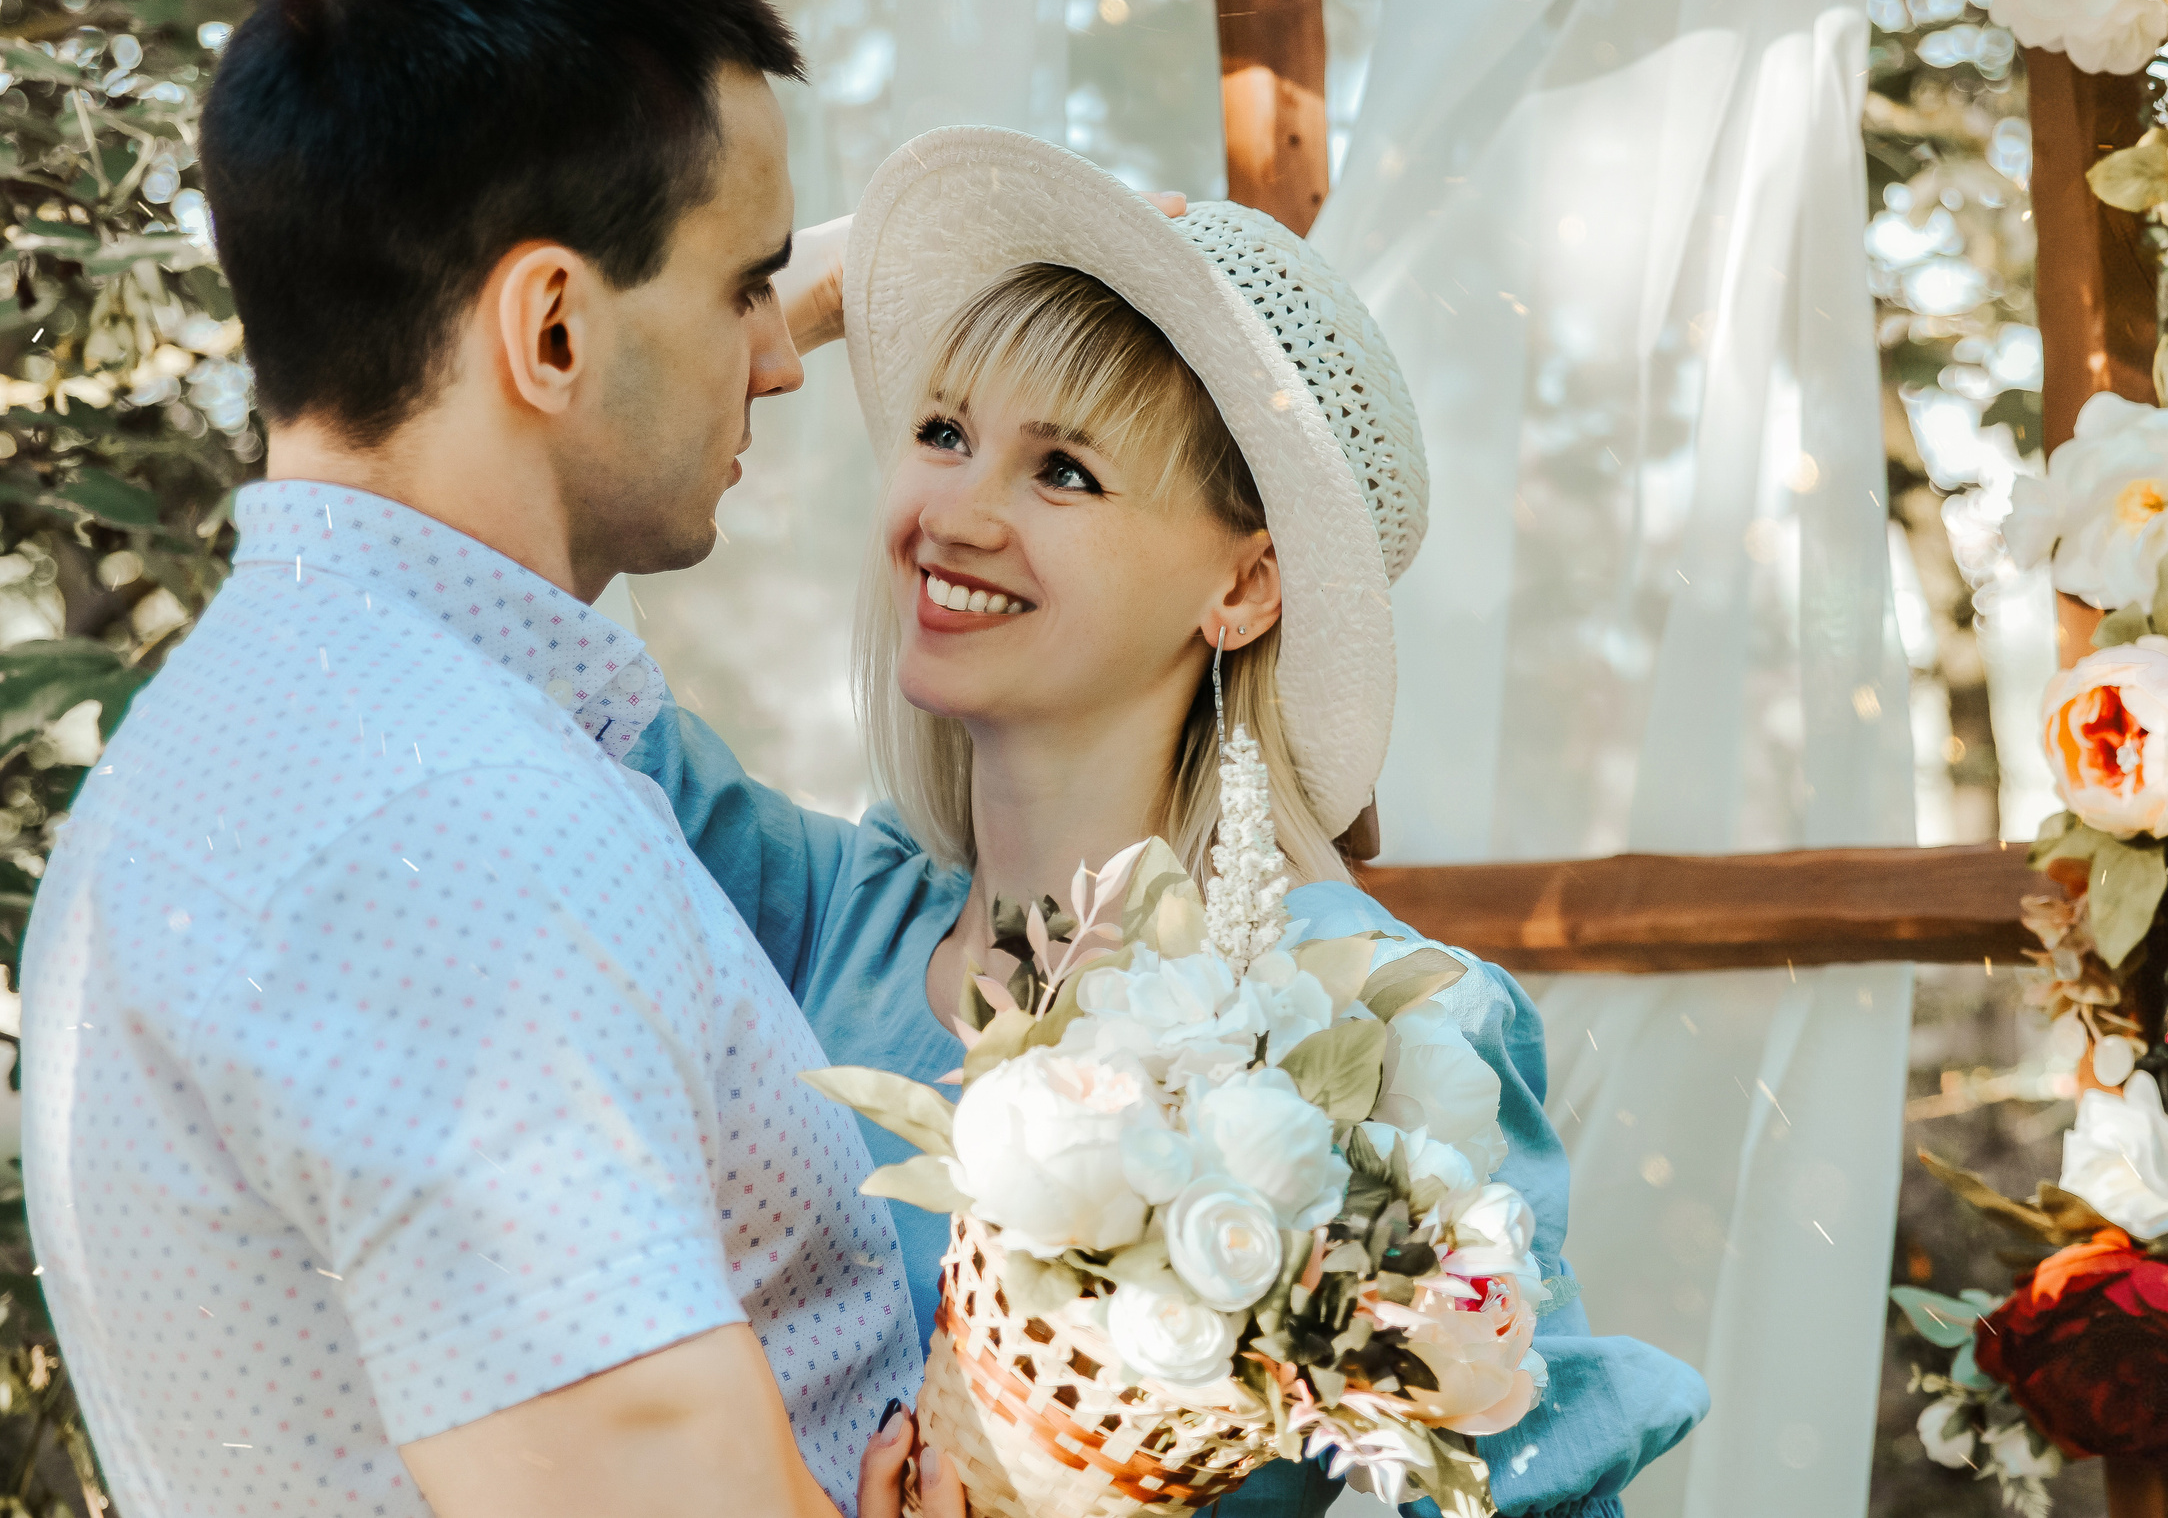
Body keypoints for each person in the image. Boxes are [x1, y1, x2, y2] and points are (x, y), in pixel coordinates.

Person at [15, 0, 951, 1518]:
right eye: (748, 288)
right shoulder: (450, 844)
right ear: (553, 326)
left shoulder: (274, 734)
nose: (785, 359)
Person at [628, 126, 1711, 1518]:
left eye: (1063, 470)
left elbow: (1520, 1491)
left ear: (1246, 588)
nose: (954, 511)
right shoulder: (824, 915)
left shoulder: (1378, 1031)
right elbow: (505, 622)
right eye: (943, 431)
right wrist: (803, 295)